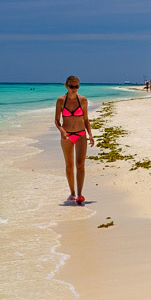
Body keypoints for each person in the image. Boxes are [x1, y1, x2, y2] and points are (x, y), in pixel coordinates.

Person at [53, 75, 95, 205]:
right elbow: (56, 120)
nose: (74, 89)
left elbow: (86, 119)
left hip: (81, 134)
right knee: (69, 166)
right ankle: (72, 193)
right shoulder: (61, 101)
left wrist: (90, 134)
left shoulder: (83, 100)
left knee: (80, 165)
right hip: (67, 136)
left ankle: (80, 194)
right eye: (71, 86)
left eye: (76, 86)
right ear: (66, 86)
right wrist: (62, 131)